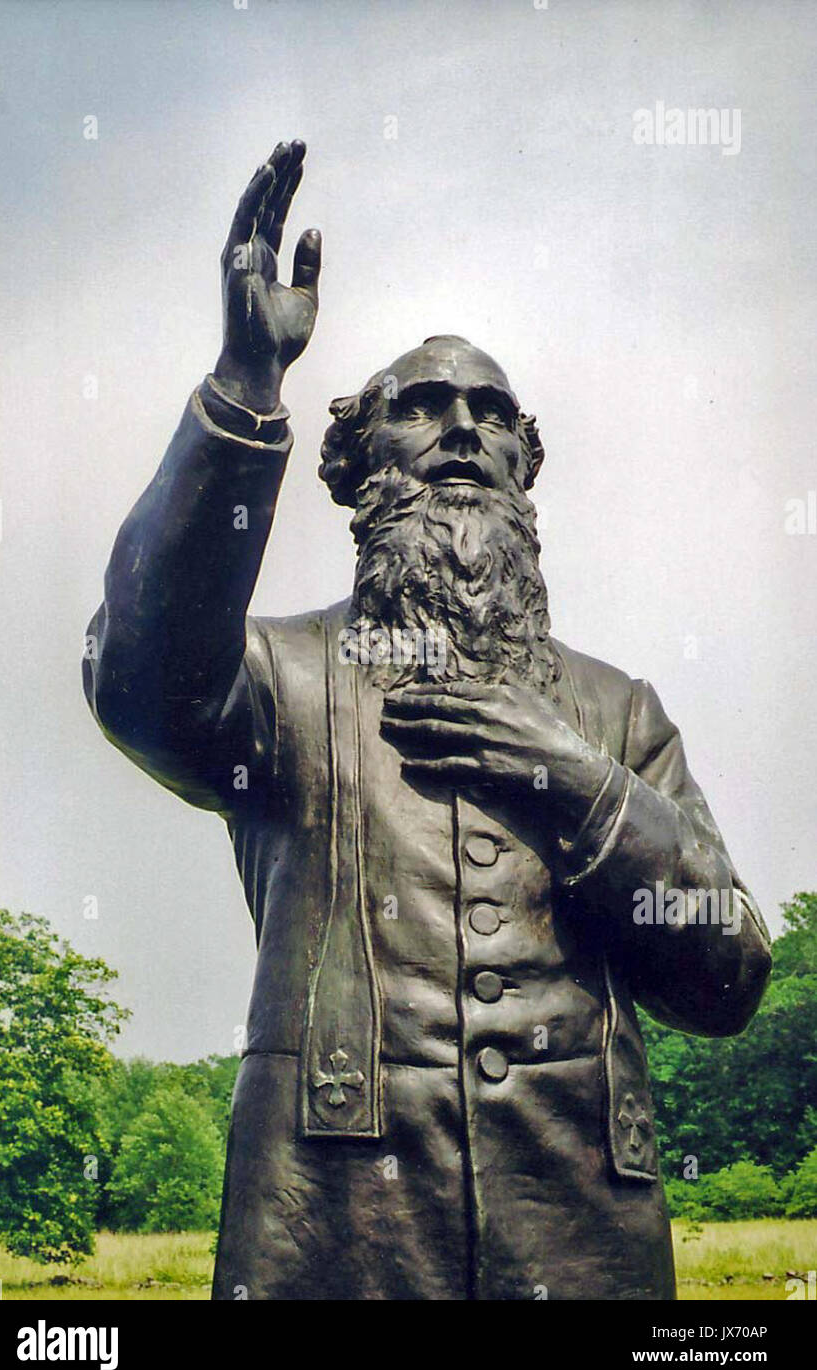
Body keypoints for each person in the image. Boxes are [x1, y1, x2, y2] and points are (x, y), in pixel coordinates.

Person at [83, 140, 771, 1300]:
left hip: (585, 1243)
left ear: (523, 463)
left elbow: (726, 974)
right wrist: (243, 391)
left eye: (491, 414)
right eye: (422, 407)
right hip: (338, 1239)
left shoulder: (617, 711)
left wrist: (577, 777)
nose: (462, 427)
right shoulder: (280, 679)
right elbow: (141, 682)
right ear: (359, 464)